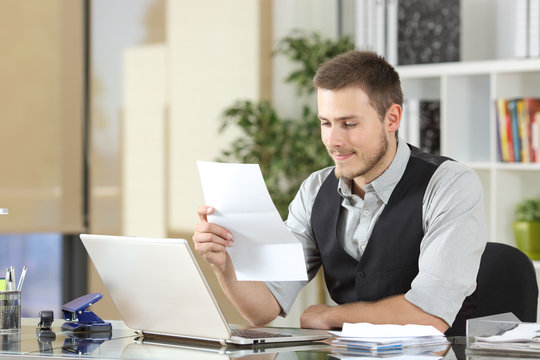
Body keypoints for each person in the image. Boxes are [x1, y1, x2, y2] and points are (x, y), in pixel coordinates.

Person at [193, 50, 487, 335]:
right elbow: (264, 309)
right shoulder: (314, 190)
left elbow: (429, 316)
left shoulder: (449, 185)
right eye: (326, 123)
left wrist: (331, 316)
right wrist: (224, 265)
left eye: (349, 124)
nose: (333, 140)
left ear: (392, 119)